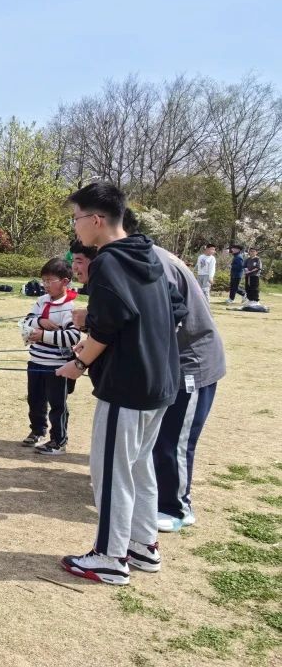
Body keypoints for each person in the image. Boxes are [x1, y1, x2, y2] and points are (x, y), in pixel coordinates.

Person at [55, 181, 186, 586]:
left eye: (76, 219)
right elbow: (171, 308)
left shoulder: (110, 262)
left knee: (111, 469)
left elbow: (109, 327)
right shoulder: (146, 253)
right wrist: (93, 317)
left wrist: (77, 363)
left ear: (96, 220)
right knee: (138, 464)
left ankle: (110, 557)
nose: (75, 227)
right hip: (161, 381)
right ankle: (142, 546)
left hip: (128, 386)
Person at [122, 210, 226, 533]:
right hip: (169, 362)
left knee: (174, 440)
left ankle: (178, 507)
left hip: (191, 363)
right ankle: (161, 499)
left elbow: (167, 318)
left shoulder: (154, 262)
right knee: (157, 438)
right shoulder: (141, 256)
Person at [19, 258, 80, 454]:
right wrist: (41, 321)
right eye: (43, 280)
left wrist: (43, 335)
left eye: (49, 281)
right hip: (36, 360)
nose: (45, 285)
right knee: (34, 399)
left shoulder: (70, 307)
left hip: (58, 365)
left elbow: (73, 336)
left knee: (57, 404)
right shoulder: (41, 301)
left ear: (65, 281)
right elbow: (27, 321)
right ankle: (37, 430)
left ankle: (59, 440)